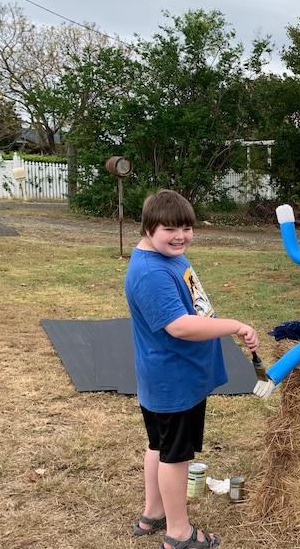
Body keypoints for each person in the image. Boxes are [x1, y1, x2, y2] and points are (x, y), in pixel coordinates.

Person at [124, 189, 259, 549]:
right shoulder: (151, 271)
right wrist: (234, 325)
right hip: (174, 379)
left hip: (171, 376)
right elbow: (179, 326)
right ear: (149, 227)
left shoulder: (168, 257)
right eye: (170, 228)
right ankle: (179, 534)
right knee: (176, 455)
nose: (181, 235)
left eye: (186, 227)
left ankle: (152, 513)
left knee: (160, 445)